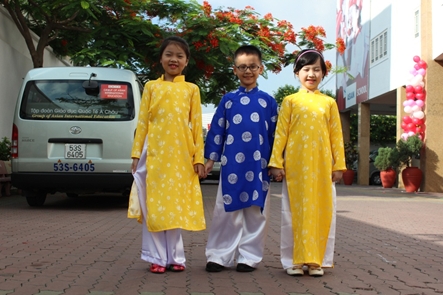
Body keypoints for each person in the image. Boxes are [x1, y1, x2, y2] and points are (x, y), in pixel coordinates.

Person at [127, 36, 206, 274]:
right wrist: (135, 153)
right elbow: (142, 124)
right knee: (154, 206)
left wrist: (199, 158)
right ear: (161, 59)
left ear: (186, 61)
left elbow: (197, 125)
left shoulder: (192, 89)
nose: (174, 59)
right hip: (154, 156)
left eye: (179, 56)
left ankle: (176, 257)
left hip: (181, 158)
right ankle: (156, 257)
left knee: (175, 207)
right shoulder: (151, 87)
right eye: (169, 54)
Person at [268, 49, 346, 277]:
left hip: (322, 166)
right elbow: (281, 133)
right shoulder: (290, 101)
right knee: (293, 212)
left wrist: (338, 165)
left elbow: (336, 136)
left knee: (321, 211)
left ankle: (316, 261)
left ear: (323, 73)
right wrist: (276, 163)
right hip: (295, 166)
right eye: (306, 69)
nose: (311, 74)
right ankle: (293, 261)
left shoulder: (329, 103)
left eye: (316, 69)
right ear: (296, 73)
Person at [204, 45, 278, 273]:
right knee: (226, 211)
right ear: (234, 69)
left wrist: (277, 164)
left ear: (260, 69)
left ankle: (249, 257)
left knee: (256, 213)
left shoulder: (269, 102)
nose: (248, 71)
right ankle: (218, 255)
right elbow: (217, 131)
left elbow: (276, 135)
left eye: (253, 66)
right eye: (243, 67)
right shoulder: (227, 100)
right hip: (231, 166)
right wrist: (208, 160)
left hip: (259, 166)